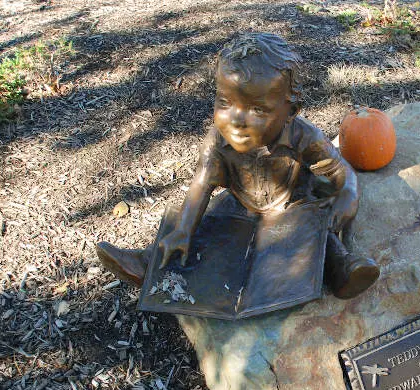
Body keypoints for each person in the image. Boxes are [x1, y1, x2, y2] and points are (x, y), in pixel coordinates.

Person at [96, 32, 379, 300]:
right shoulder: (217, 142)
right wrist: (183, 229)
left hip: (291, 205)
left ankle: (341, 269)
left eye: (258, 109)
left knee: (319, 225)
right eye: (225, 102)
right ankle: (149, 262)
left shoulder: (304, 137)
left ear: (291, 111)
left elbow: (340, 171)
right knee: (205, 224)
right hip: (240, 205)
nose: (237, 120)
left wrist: (348, 195)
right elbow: (202, 184)